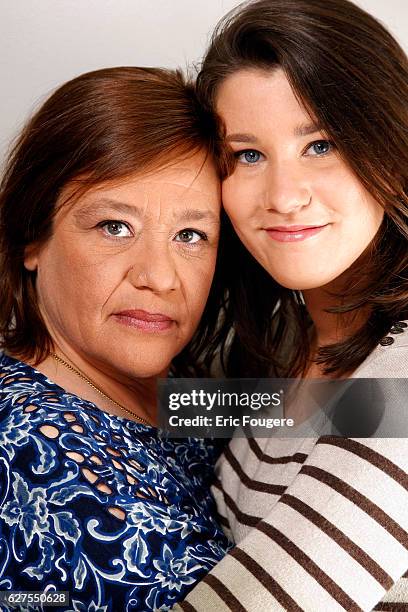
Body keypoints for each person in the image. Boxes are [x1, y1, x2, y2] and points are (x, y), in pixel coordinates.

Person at [175, 0, 408, 610]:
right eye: (248, 155)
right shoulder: (285, 333)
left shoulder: (400, 383)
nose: (283, 197)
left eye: (321, 144)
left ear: (390, 143)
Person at [0, 66, 233, 611]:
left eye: (191, 235)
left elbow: (326, 411)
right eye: (115, 227)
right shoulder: (32, 459)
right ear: (33, 237)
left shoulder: (165, 389)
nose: (159, 275)